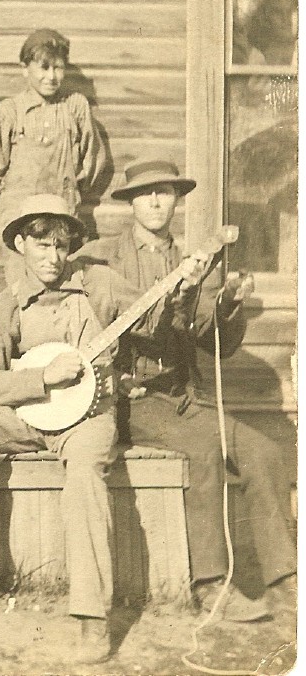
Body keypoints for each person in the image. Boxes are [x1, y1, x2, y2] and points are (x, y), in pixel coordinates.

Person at [0, 193, 177, 664]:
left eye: (61, 246)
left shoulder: (98, 283)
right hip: (29, 414)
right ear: (20, 244)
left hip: (88, 417)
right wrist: (40, 378)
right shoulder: (8, 304)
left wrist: (184, 288)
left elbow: (153, 321)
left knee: (84, 479)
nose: (53, 257)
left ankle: (92, 619)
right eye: (42, 245)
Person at [74, 160, 296, 621]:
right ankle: (210, 584)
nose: (156, 201)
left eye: (166, 193)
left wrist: (228, 303)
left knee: (266, 452)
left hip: (184, 397)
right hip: (131, 398)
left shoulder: (194, 263)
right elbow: (102, 323)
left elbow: (215, 344)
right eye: (146, 193)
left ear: (177, 201)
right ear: (131, 203)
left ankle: (284, 579)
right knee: (204, 448)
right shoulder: (101, 258)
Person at [0, 29, 105, 286]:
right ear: (25, 69)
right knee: (22, 288)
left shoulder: (75, 107)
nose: (51, 76)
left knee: (66, 287)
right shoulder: (9, 111)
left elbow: (92, 159)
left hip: (63, 215)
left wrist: (71, 189)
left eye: (58, 68)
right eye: (44, 68)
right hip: (21, 219)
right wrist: (15, 197)